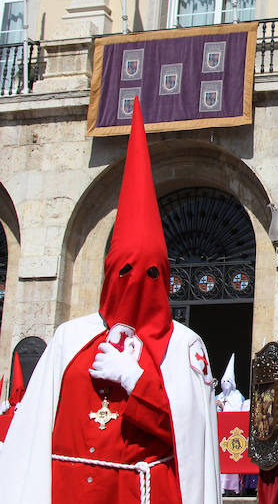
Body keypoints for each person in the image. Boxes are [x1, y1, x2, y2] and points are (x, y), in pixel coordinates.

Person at [0, 98, 220, 504]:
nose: (137, 283)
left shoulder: (185, 346)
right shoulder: (70, 338)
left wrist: (139, 382)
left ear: (167, 280)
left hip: (145, 493)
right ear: (106, 276)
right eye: (125, 272)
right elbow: (32, 433)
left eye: (152, 273)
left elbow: (191, 437)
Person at [217, 354, 245, 495]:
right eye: (224, 380)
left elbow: (237, 412)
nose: (226, 383)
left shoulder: (237, 396)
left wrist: (225, 408)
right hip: (219, 434)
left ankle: (232, 488)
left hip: (233, 434)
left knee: (232, 464)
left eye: (229, 380)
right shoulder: (218, 397)